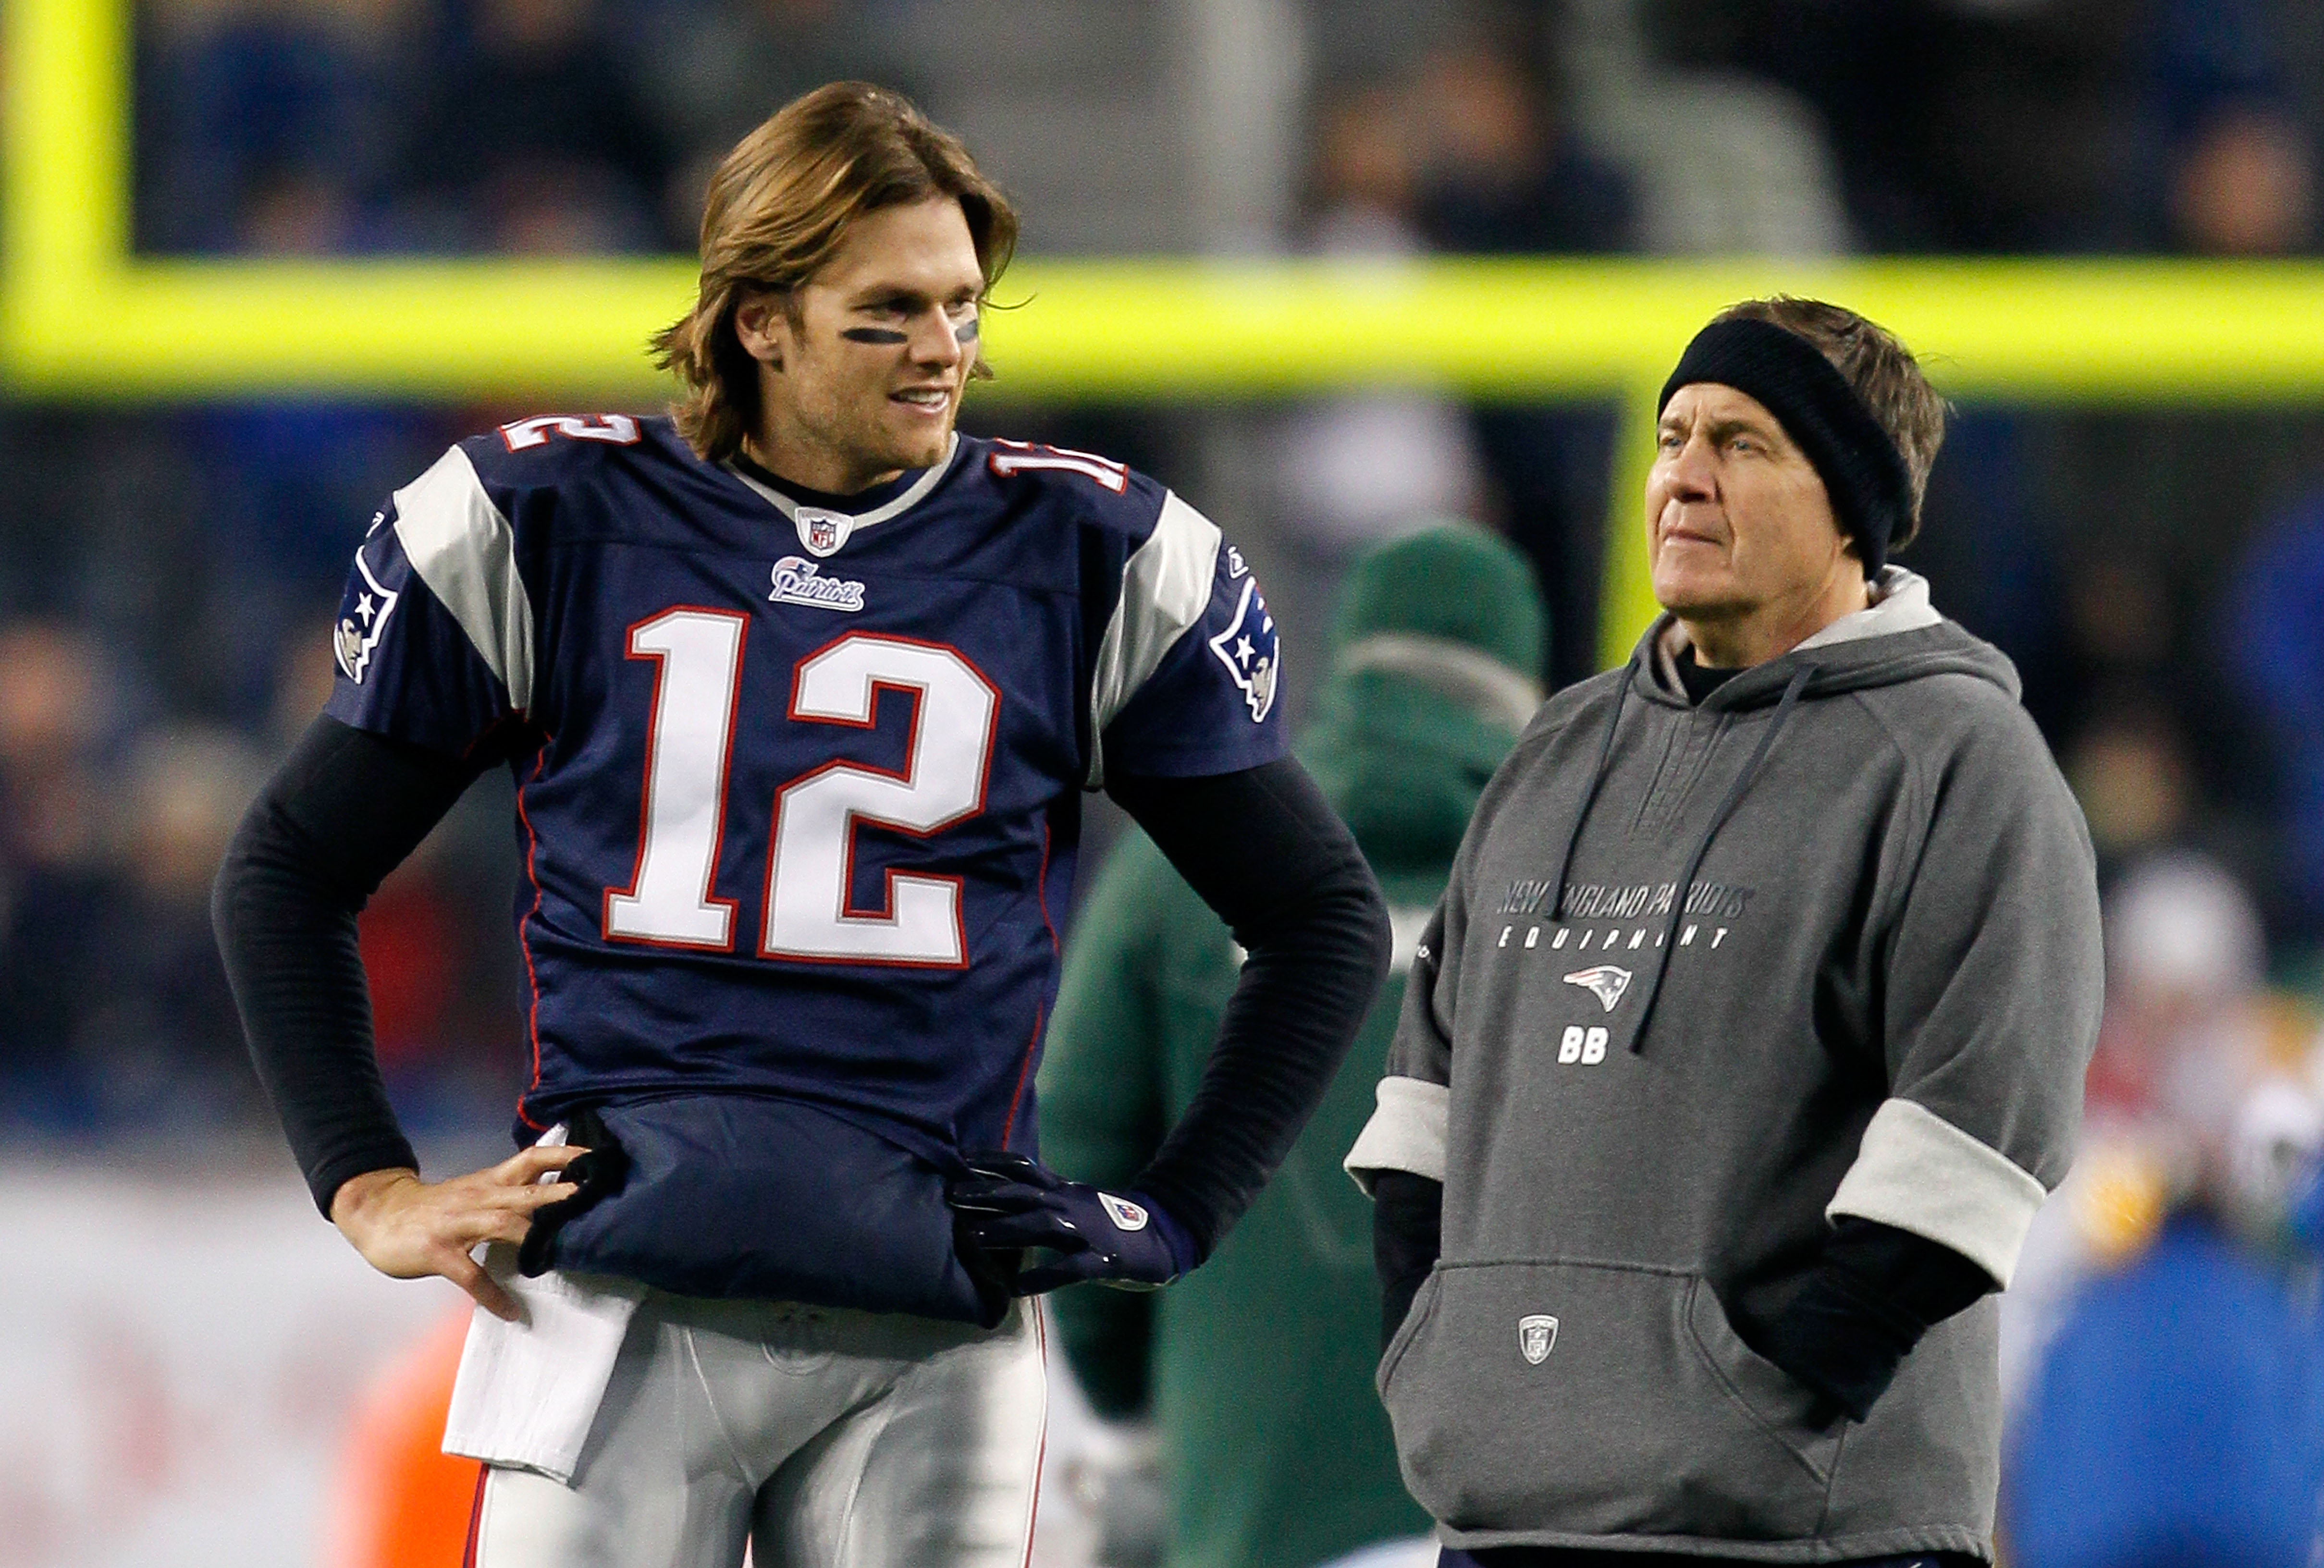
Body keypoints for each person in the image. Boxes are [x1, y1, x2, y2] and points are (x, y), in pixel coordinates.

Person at [213, 83, 1388, 1566]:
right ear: (759, 319)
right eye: (889, 311)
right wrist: (363, 1180)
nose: (944, 348)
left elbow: (1320, 919)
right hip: (617, 1295)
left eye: (964, 305)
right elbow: (286, 867)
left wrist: (1177, 1210)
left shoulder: (1084, 554)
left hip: (933, 1319)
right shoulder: (557, 520)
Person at [1343, 298, 2103, 1565]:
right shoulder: (1558, 751)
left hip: (1801, 1542)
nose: (1683, 479)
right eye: (1672, 436)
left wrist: (1768, 1416)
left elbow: (1975, 1147)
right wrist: (1449, 1373)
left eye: (1742, 444)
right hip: (1505, 1524)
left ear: (1852, 503)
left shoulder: (1961, 765)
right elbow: (1426, 1112)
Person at [1042, 525, 1549, 1568]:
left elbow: (1079, 1154)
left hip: (1252, 1499)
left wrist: (1134, 1408)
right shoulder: (1605, 876)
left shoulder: (1179, 866)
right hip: (1532, 1504)